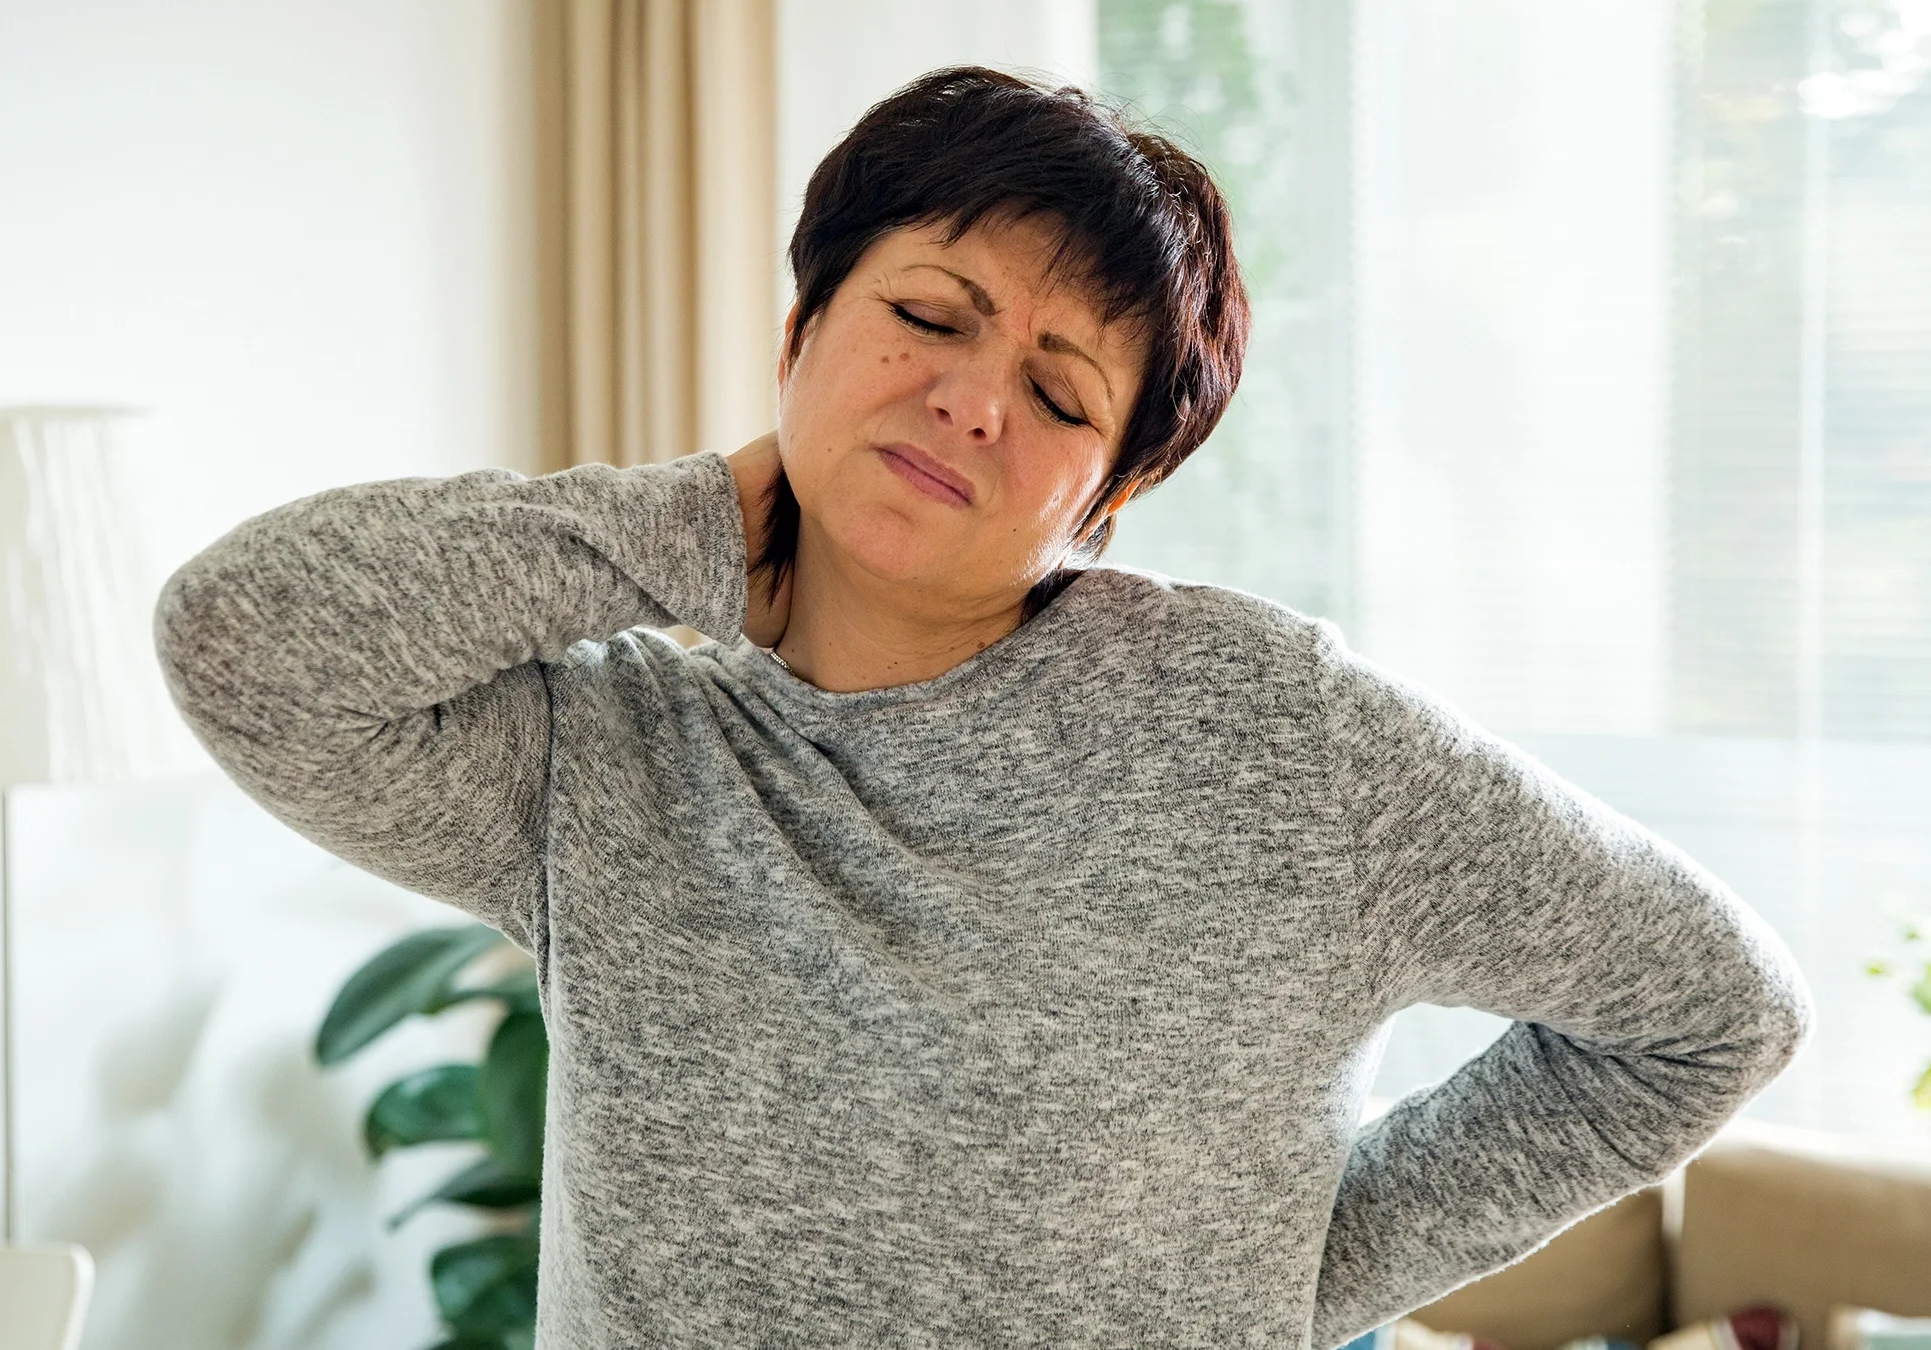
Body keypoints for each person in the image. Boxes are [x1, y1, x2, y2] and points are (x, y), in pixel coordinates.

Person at [153, 66, 1813, 1350]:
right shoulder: (612, 752)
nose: (968, 399)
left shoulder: (1277, 737)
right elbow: (241, 643)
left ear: (1110, 497)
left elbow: (1712, 1009)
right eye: (924, 317)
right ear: (802, 327)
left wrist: (1308, 1264)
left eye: (1058, 392)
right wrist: (705, 517)